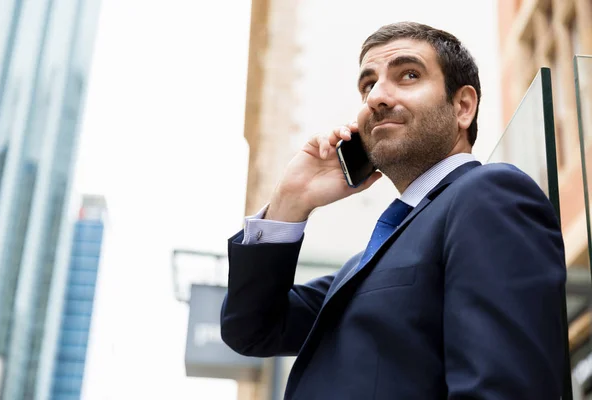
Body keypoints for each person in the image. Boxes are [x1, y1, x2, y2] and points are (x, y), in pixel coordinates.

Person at [221, 21, 566, 399]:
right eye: (368, 85)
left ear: (463, 106)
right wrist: (291, 199)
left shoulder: (490, 195)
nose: (376, 97)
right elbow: (251, 329)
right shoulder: (359, 267)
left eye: (409, 75)